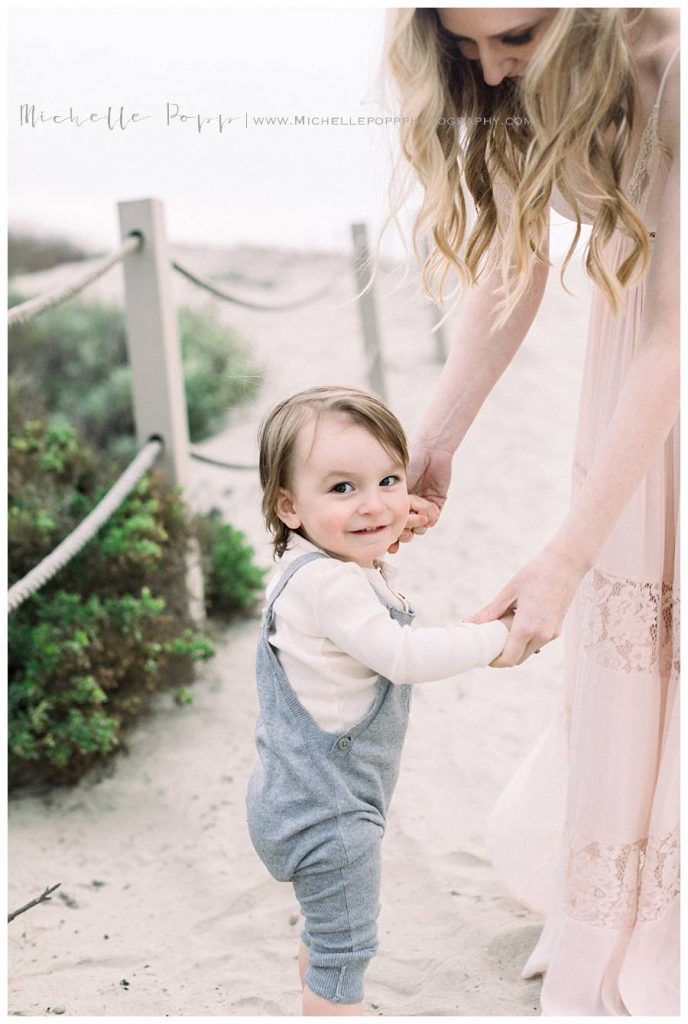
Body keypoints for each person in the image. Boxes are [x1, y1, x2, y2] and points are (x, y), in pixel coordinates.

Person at [384, 7, 679, 1016]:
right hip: (630, 391)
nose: (495, 72)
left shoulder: (676, 70)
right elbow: (511, 264)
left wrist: (567, 551)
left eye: (514, 37)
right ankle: (614, 896)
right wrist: (432, 443)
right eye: (465, 52)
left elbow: (674, 338)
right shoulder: (512, 85)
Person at [245, 385, 513, 1016]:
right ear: (289, 506)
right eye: (342, 488)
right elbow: (403, 656)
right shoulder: (334, 587)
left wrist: (386, 515)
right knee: (345, 955)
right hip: (329, 817)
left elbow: (365, 552)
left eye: (388, 479)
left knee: (326, 934)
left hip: (294, 794)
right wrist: (494, 638)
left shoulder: (311, 564)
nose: (371, 505)